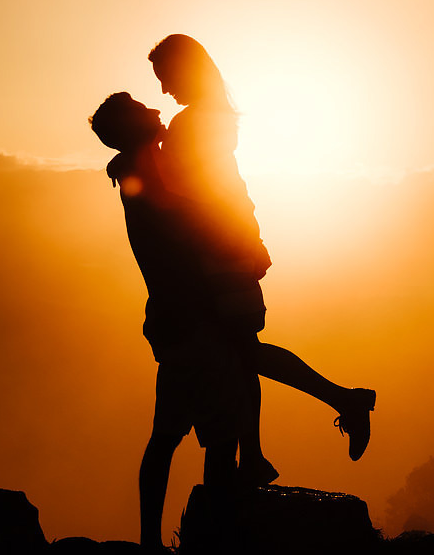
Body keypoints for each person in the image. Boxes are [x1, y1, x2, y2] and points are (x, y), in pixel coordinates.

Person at [148, 34, 376, 476]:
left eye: (165, 77)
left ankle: (343, 400)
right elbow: (226, 187)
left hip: (216, 249)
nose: (163, 90)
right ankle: (254, 454)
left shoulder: (195, 123)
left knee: (241, 354)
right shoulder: (209, 118)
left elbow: (196, 191)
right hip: (226, 244)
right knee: (240, 355)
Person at [89, 93, 240, 553]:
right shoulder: (146, 169)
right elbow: (178, 220)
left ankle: (156, 540)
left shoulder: (145, 162)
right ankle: (205, 540)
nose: (156, 110)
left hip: (176, 317)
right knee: (213, 436)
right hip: (189, 317)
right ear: (134, 128)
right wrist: (233, 232)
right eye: (142, 109)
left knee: (170, 436)